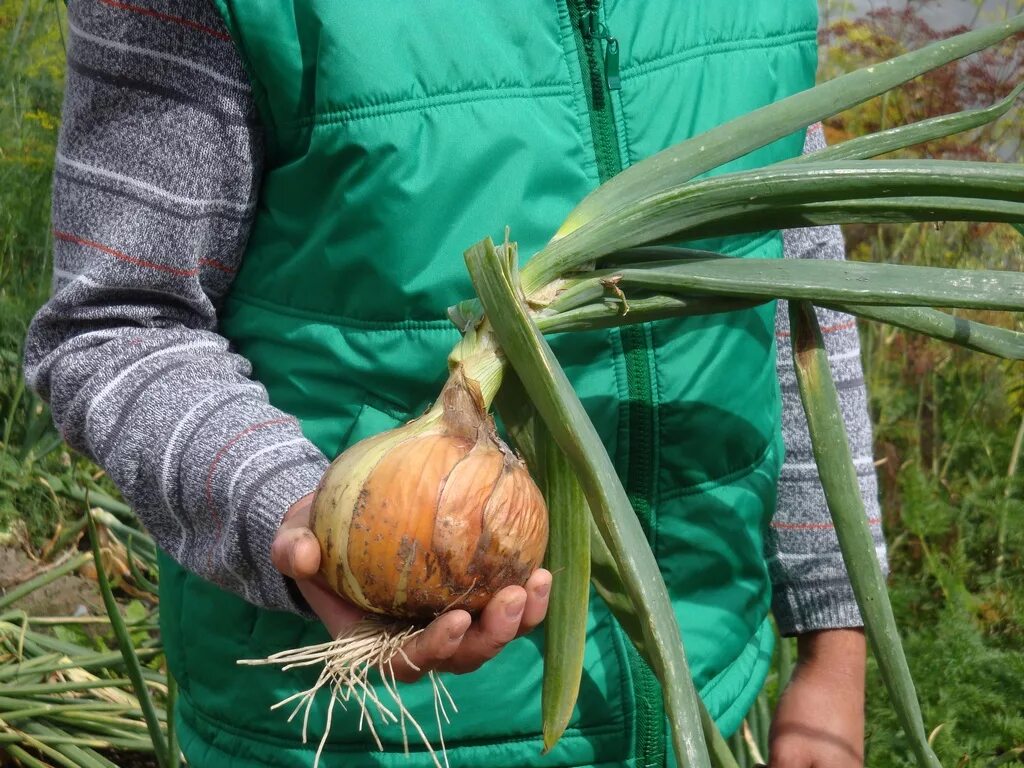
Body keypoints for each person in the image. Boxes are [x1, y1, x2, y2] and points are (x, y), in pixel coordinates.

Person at [25, 1, 887, 766]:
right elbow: (121, 322)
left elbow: (791, 285)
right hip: (353, 730)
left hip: (702, 691)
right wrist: (296, 514)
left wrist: (835, 638)